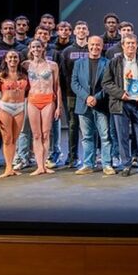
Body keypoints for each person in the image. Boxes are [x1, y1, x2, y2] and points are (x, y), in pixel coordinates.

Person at [102, 33, 138, 176]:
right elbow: (106, 83)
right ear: (123, 45)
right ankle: (126, 165)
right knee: (123, 136)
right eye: (128, 43)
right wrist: (121, 94)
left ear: (137, 45)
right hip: (121, 103)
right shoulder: (114, 62)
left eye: (134, 43)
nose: (131, 46)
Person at [0, 19, 26, 168]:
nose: (9, 30)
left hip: (17, 91)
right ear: (1, 31)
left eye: (11, 28)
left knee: (17, 131)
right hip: (0, 90)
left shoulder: (22, 48)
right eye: (6, 28)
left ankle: (15, 157)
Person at [71, 36, 114, 175]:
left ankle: (107, 164)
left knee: (105, 136)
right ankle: (88, 164)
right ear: (88, 46)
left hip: (101, 104)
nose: (95, 47)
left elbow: (108, 85)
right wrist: (87, 97)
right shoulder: (79, 63)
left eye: (98, 45)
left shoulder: (108, 63)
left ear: (102, 47)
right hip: (84, 105)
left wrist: (96, 97)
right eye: (92, 44)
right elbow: (74, 83)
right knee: (87, 136)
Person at [23, 39, 62, 176]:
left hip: (48, 100)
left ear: (43, 48)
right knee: (36, 134)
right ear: (30, 48)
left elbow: (57, 86)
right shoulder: (26, 65)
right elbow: (9, 71)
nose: (36, 49)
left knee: (46, 133)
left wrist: (58, 106)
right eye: (33, 47)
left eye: (38, 47)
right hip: (33, 100)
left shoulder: (52, 65)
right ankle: (39, 166)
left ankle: (44, 165)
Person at [0, 50, 28, 178]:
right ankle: (8, 167)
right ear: (5, 59)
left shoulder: (24, 75)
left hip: (20, 107)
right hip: (5, 107)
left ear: (19, 59)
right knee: (7, 138)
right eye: (10, 57)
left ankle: (12, 166)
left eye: (15, 57)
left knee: (15, 138)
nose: (12, 59)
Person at [60, 20, 90, 168]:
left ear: (88, 32)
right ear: (74, 32)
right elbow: (64, 74)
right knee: (73, 125)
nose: (81, 31)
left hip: (90, 95)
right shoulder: (66, 52)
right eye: (79, 28)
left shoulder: (93, 49)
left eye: (84, 28)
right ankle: (72, 157)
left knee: (91, 126)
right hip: (72, 94)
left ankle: (92, 157)